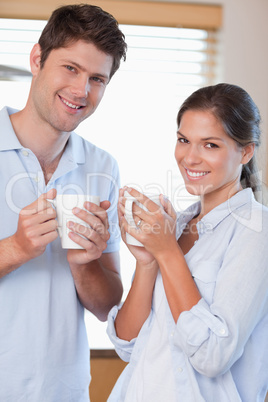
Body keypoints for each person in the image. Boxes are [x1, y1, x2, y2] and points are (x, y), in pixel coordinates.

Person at [107, 83, 268, 401]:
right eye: (183, 140)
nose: (189, 157)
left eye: (210, 145)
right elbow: (128, 343)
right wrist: (148, 260)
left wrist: (167, 252)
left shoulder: (256, 230)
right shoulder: (177, 225)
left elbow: (213, 355)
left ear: (246, 151)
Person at [0, 4, 127, 401]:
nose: (81, 91)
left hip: (63, 390)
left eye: (96, 79)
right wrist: (16, 249)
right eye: (70, 68)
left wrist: (85, 265)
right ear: (38, 58)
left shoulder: (103, 167)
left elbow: (107, 305)